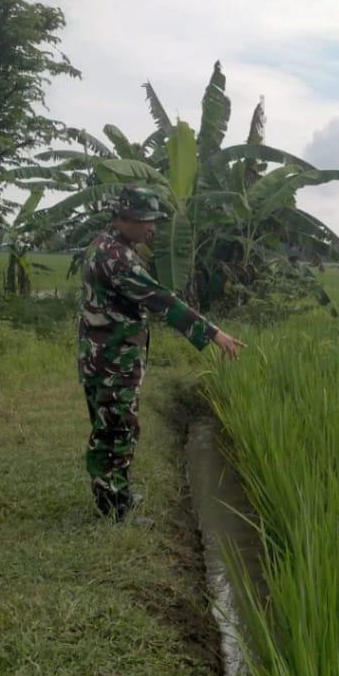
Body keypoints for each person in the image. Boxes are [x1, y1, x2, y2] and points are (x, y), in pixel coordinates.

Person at [77, 185, 244, 523]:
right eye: (146, 220)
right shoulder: (116, 258)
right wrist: (214, 334)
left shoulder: (105, 245)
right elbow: (161, 299)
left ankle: (115, 493)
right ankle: (114, 510)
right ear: (126, 218)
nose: (152, 227)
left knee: (109, 423)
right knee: (118, 427)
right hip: (113, 358)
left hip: (103, 354)